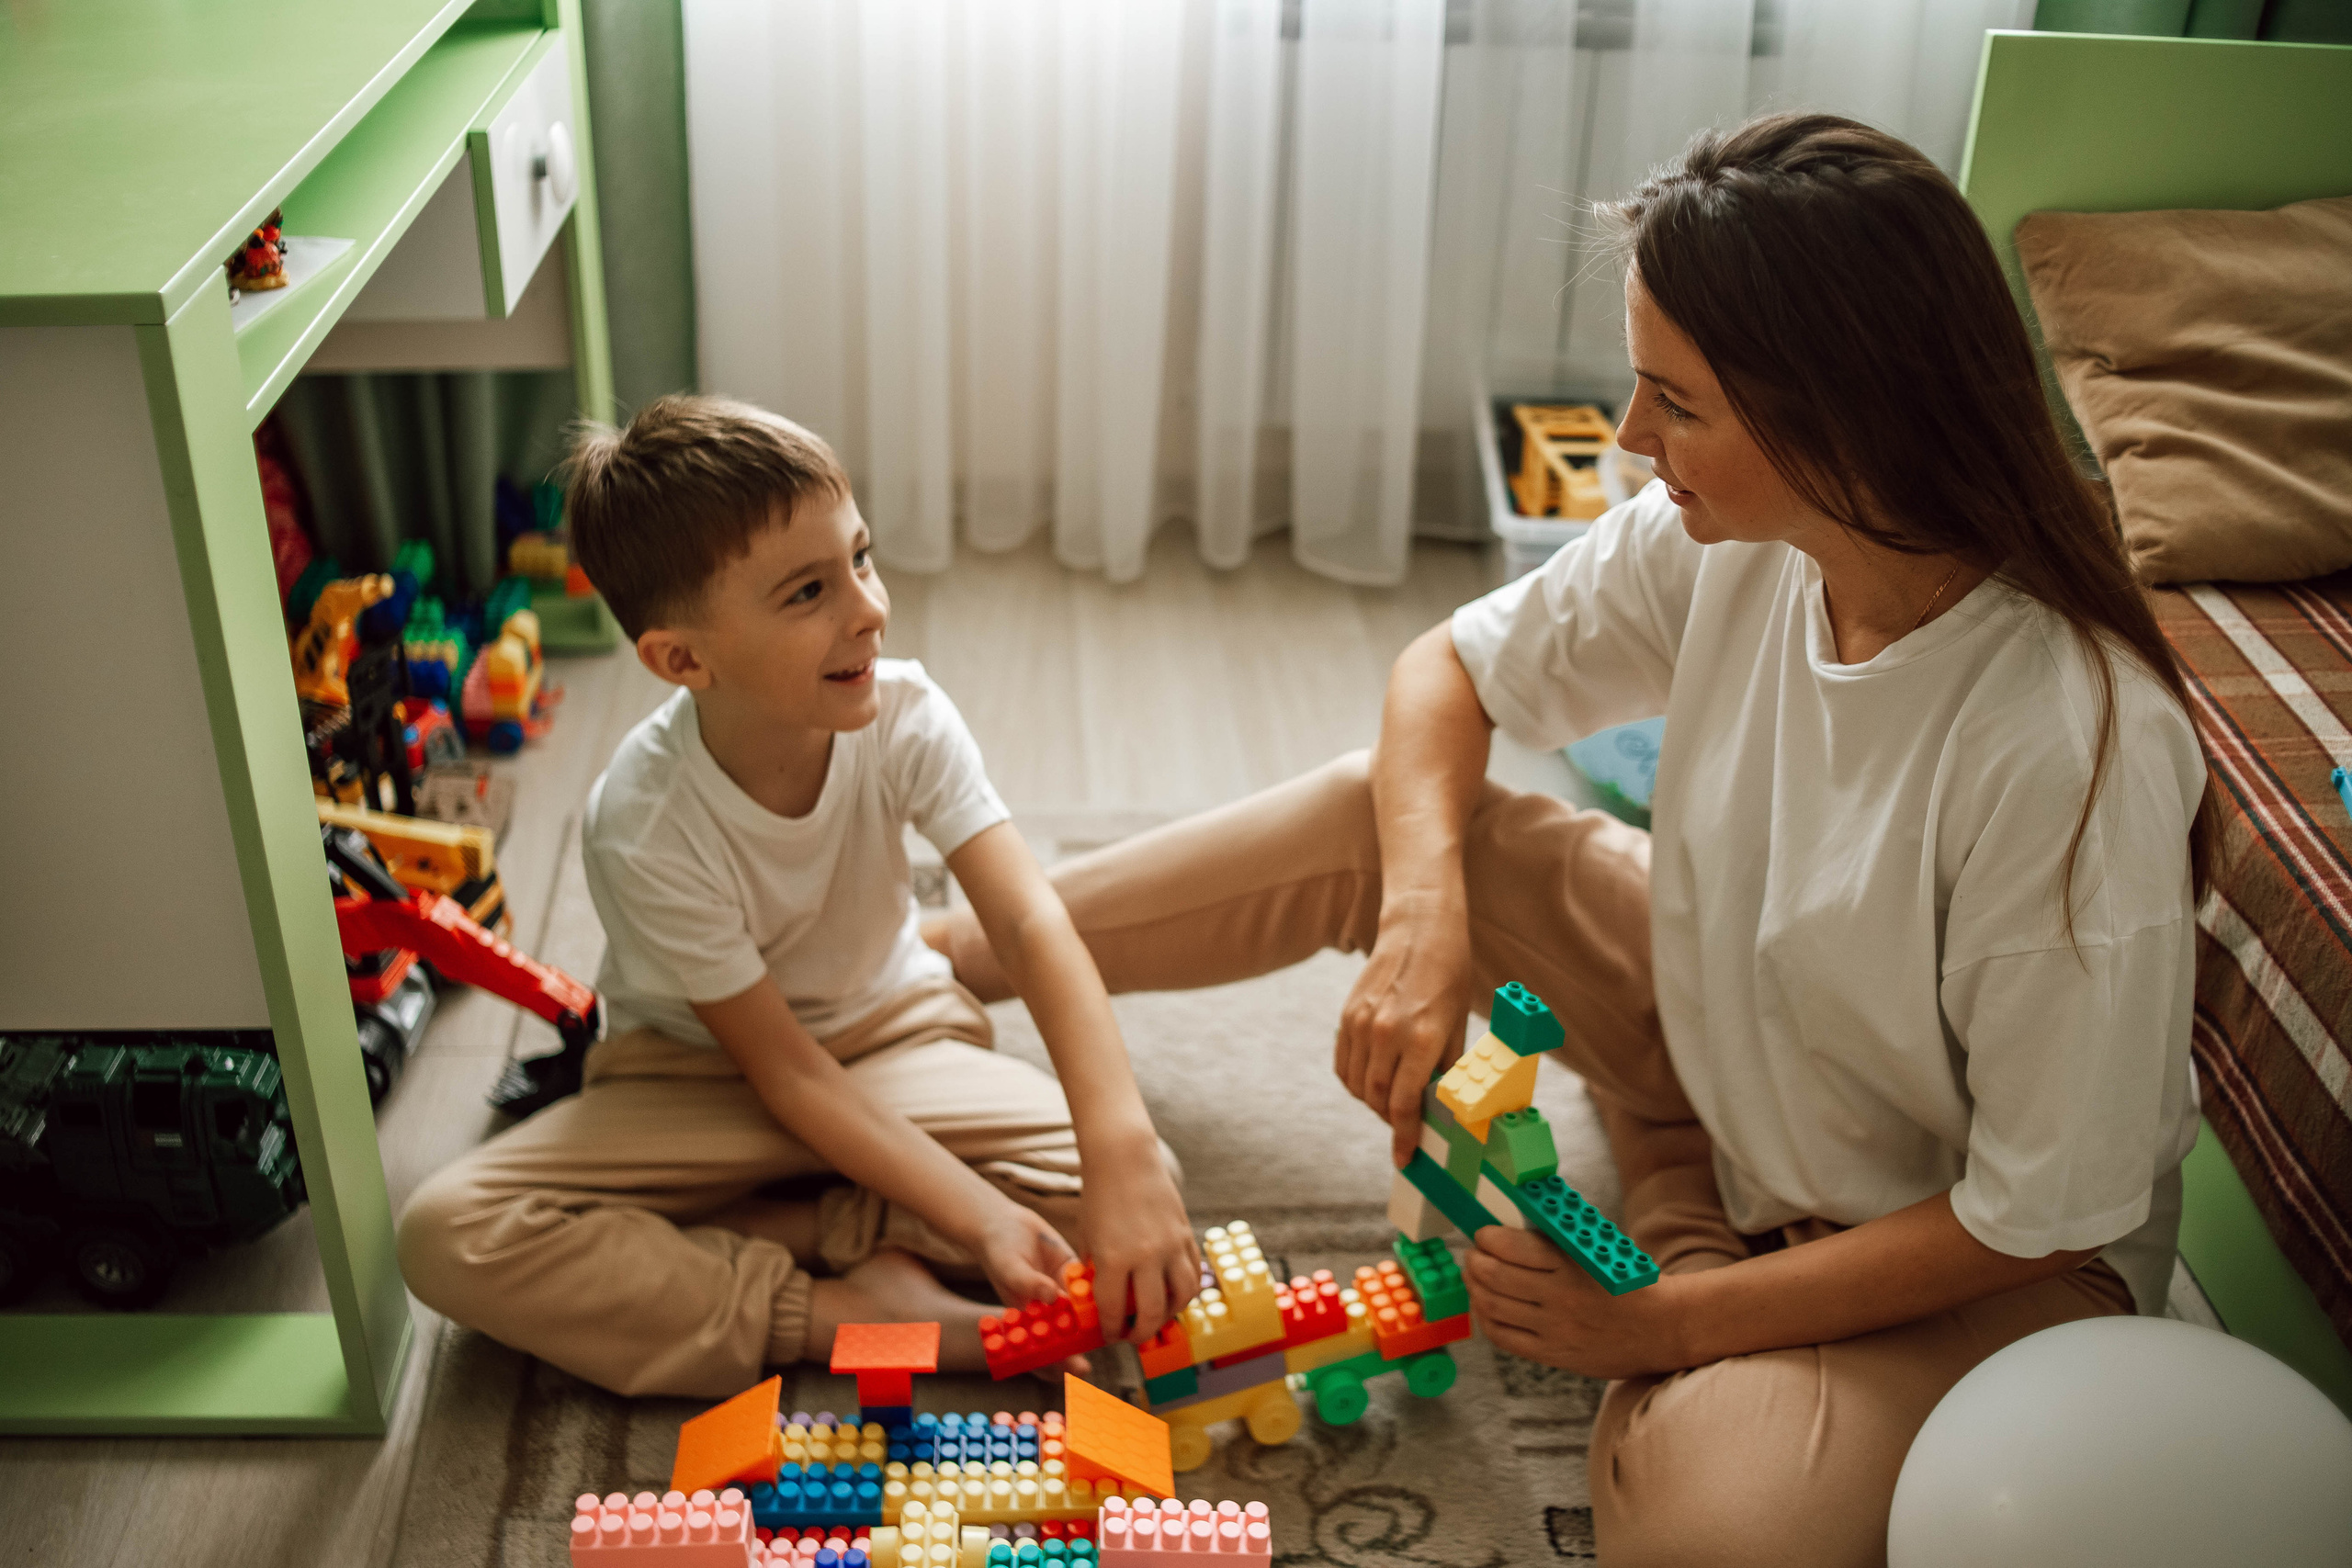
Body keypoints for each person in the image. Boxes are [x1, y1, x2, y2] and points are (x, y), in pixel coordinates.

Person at [926, 114, 2212, 1564]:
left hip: (1977, 1254)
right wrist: (1425, 925)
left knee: (1722, 1522)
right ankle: (927, 965)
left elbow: (2036, 1218)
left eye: (1674, 400)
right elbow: (1447, 672)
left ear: (1841, 415)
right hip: (1740, 1023)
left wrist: (1661, 1318)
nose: (1629, 438)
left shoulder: (2063, 742)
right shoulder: (1739, 537)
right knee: (1390, 808)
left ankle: (1677, 1216)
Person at [398, 395, 1197, 1400]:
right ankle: (839, 1309)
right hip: (695, 1083)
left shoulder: (904, 714)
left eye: (859, 559)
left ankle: (807, 1221)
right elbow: (786, 1078)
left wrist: (1117, 1147)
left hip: (891, 1038)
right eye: (808, 591)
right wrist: (977, 1216)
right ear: (682, 659)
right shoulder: (643, 820)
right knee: (444, 1236)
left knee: (1135, 1207)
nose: (868, 608)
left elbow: (1032, 925)